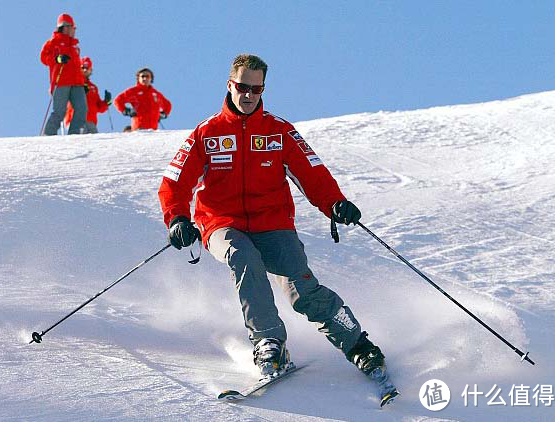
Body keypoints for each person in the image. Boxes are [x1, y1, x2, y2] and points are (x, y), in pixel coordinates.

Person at [157, 54, 398, 404]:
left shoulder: (279, 131)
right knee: (242, 256)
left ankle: (359, 345)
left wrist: (335, 203)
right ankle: (270, 344)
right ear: (230, 85)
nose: (249, 95)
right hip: (221, 223)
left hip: (273, 224)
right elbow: (174, 182)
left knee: (302, 291)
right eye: (242, 87)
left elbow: (312, 174)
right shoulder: (207, 134)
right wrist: (178, 218)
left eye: (256, 89)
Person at [40, 13, 87, 135]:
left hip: (77, 83)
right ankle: (48, 134)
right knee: (60, 112)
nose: (74, 30)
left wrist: (83, 82)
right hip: (61, 82)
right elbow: (44, 58)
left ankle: (75, 133)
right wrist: (57, 59)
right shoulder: (53, 42)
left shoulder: (74, 45)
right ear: (66, 27)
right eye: (73, 27)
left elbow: (77, 66)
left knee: (82, 108)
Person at [64, 57, 112, 134]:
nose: (85, 70)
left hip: (91, 122)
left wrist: (106, 102)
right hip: (75, 120)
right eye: (83, 67)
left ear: (91, 70)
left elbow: (99, 108)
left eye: (87, 68)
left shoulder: (93, 87)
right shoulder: (73, 82)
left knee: (94, 144)